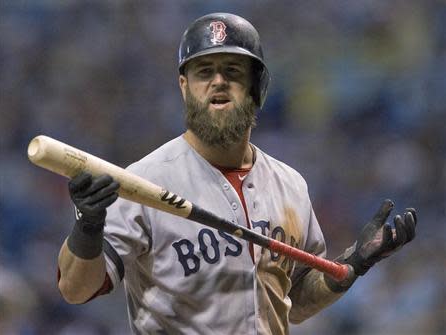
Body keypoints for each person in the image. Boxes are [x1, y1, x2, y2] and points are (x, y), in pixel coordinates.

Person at [57, 13, 417, 335]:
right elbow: (76, 289)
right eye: (203, 72)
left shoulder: (290, 185)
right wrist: (87, 227)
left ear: (257, 87)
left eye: (232, 71)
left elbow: (297, 302)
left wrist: (352, 264)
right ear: (185, 88)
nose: (218, 81)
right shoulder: (144, 181)